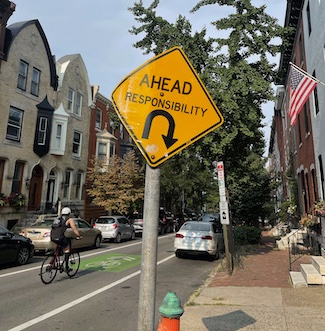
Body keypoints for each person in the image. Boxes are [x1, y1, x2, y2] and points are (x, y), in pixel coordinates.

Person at [50, 207, 82, 271]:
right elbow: (74, 228)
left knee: (59, 246)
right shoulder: (69, 219)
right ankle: (66, 267)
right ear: (69, 213)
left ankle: (53, 261)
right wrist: (79, 235)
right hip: (60, 237)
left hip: (52, 237)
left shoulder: (57, 219)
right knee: (67, 250)